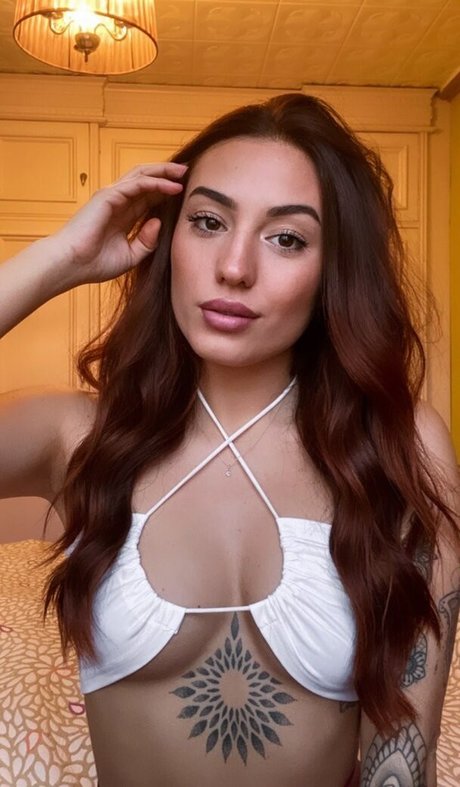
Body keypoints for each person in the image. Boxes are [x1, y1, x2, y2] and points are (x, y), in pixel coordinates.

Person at [0, 93, 458, 787]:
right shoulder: (75, 434)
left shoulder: (399, 443)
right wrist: (59, 259)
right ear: (167, 239)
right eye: (208, 222)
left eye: (287, 238)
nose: (235, 267)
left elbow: (403, 757)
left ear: (332, 270)